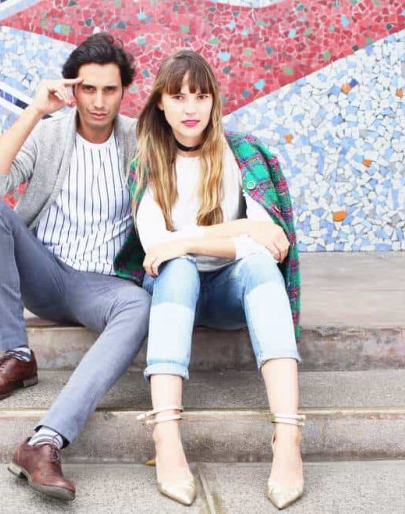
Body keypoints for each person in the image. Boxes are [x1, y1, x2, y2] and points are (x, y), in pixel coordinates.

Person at [0, 33, 149, 502]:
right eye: (88, 89)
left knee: (139, 306)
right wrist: (34, 111)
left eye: (109, 90)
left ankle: (44, 441)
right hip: (45, 272)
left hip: (103, 285)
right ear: (72, 89)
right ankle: (17, 355)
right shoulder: (48, 134)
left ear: (124, 91)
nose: (99, 101)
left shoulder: (140, 139)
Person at [129, 50, 304, 509]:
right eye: (178, 96)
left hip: (229, 291)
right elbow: (156, 250)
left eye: (201, 96)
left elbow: (271, 244)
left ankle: (288, 437)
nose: (191, 108)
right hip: (174, 290)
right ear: (160, 103)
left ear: (214, 101)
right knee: (177, 267)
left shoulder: (240, 154)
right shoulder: (148, 161)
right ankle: (166, 435)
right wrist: (238, 231)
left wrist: (188, 238)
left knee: (259, 266)